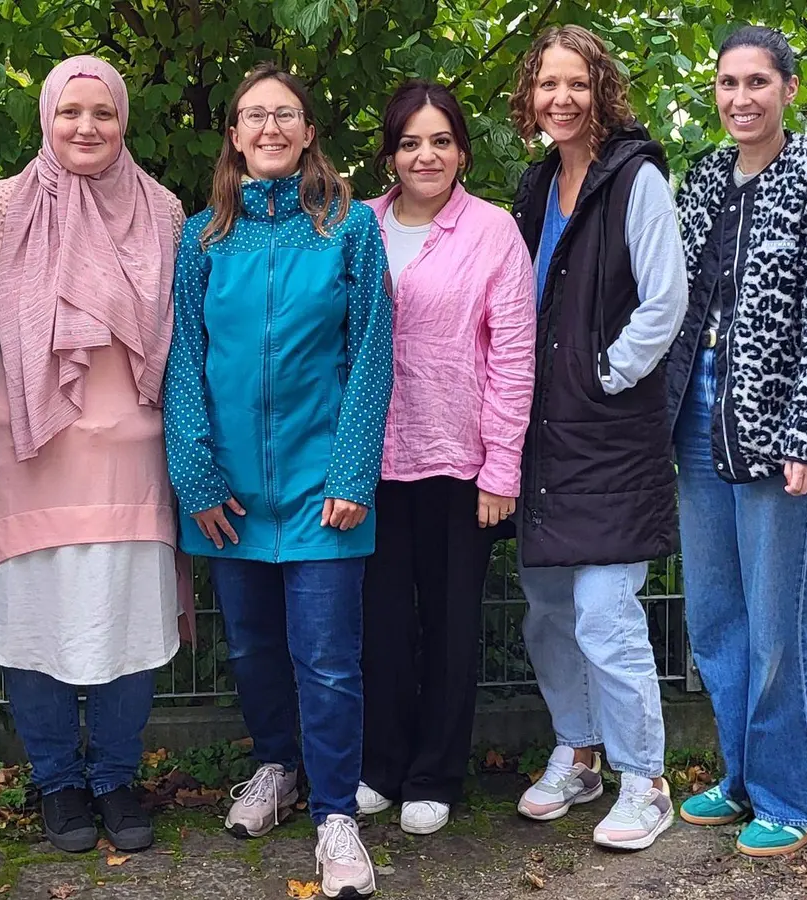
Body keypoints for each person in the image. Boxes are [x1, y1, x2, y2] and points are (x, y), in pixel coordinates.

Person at [163, 62, 392, 900]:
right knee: (254, 646)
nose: (269, 128)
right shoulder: (202, 239)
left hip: (322, 481)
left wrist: (353, 469)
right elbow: (182, 357)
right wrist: (193, 472)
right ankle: (275, 768)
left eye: (285, 115)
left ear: (307, 132)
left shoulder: (348, 228)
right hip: (227, 490)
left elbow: (371, 353)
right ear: (234, 133)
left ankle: (337, 816)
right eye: (254, 116)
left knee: (328, 658)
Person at [667, 25, 807, 857]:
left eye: (758, 82)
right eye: (728, 83)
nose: (740, 99)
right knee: (716, 614)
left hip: (782, 421)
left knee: (777, 619)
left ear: (790, 90)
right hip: (699, 415)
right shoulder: (705, 180)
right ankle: (745, 780)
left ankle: (801, 798)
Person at [0, 56, 186, 855]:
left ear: (124, 120)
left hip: (132, 454)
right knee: (33, 620)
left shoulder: (162, 210)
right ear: (47, 119)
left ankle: (116, 777)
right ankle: (58, 781)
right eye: (70, 113)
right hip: (25, 450)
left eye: (103, 113)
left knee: (126, 619)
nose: (86, 128)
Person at [506, 25, 691, 851]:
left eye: (576, 83)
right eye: (548, 84)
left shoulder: (636, 177)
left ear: (601, 89)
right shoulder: (536, 182)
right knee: (547, 611)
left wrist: (605, 374)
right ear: (531, 95)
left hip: (612, 431)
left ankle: (644, 778)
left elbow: (666, 300)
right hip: (545, 434)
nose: (561, 99)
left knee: (605, 614)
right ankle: (577, 754)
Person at [354, 81, 535, 836]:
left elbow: (514, 359)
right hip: (367, 460)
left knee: (453, 625)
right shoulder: (356, 225)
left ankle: (436, 774)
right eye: (409, 142)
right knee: (381, 623)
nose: (424, 155)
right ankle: (380, 765)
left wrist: (501, 470)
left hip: (459, 463)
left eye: (439, 141)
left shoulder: (493, 232)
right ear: (390, 153)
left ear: (462, 150)